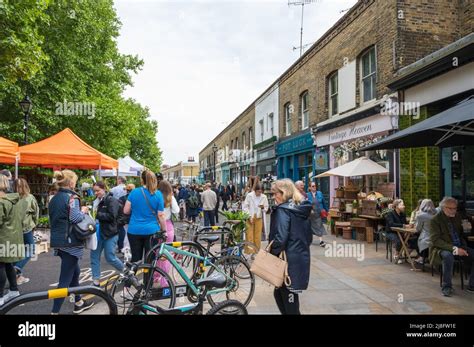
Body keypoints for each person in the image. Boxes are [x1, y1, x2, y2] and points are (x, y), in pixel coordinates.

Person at [49, 170, 94, 314]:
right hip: (70, 242)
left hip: (58, 241)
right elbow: (75, 218)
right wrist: (84, 211)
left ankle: (79, 302)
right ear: (71, 182)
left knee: (75, 272)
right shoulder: (72, 198)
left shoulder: (54, 198)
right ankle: (54, 312)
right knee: (64, 281)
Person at [269, 179, 312, 315]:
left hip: (287, 261)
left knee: (289, 298)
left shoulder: (283, 210)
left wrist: (271, 252)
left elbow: (280, 238)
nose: (273, 196)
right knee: (281, 294)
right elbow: (309, 237)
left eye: (275, 193)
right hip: (299, 258)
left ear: (284, 193)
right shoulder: (300, 208)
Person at [429, 197, 474, 296]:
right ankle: (447, 287)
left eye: (455, 208)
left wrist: (468, 228)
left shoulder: (457, 217)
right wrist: (455, 249)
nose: (454, 210)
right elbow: (435, 241)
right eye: (451, 208)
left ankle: (472, 285)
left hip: (459, 245)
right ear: (444, 207)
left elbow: (464, 234)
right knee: (448, 256)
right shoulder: (435, 220)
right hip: (442, 248)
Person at [123, 170, 167, 263]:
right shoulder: (158, 194)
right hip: (152, 231)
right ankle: (148, 278)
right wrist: (164, 231)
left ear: (142, 180)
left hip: (134, 230)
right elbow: (161, 216)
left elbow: (126, 211)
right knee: (150, 260)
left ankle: (133, 277)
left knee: (135, 260)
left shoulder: (134, 192)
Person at [90, 181, 124, 287]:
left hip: (110, 233)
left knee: (110, 257)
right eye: (94, 191)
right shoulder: (96, 201)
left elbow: (112, 216)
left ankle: (127, 272)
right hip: (97, 232)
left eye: (97, 190)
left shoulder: (111, 200)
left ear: (104, 189)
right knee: (94, 257)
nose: (96, 193)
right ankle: (96, 280)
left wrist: (96, 214)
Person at [0, 175, 24, 306]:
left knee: (1, 266)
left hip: (3, 238)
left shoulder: (1, 201)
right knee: (8, 264)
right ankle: (14, 290)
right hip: (12, 238)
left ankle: (0, 296)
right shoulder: (12, 199)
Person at [13, 178, 39, 285]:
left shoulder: (10, 198)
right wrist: (34, 225)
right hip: (26, 229)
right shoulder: (30, 198)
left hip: (13, 230)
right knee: (31, 250)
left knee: (17, 252)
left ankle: (18, 277)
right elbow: (35, 213)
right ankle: (17, 268)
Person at [156, 180, 179, 285]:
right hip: (168, 226)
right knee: (167, 253)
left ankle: (156, 276)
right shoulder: (170, 198)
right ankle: (164, 280)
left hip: (156, 226)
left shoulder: (155, 196)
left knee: (157, 252)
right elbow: (176, 210)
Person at [385, 199, 418, 264]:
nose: (404, 206)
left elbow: (405, 223)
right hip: (391, 232)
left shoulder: (403, 214)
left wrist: (409, 226)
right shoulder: (390, 214)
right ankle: (397, 255)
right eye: (402, 205)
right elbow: (391, 224)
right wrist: (404, 226)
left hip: (401, 232)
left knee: (414, 238)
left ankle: (406, 253)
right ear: (397, 206)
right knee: (398, 240)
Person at [242, 184, 269, 255]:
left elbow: (266, 208)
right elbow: (245, 207)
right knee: (249, 235)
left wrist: (263, 207)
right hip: (250, 217)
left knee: (258, 235)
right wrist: (249, 216)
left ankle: (257, 251)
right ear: (255, 191)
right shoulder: (249, 195)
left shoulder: (264, 197)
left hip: (258, 217)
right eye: (258, 192)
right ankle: (250, 251)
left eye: (260, 192)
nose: (259, 193)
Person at [414, 199, 436, 264]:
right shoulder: (436, 214)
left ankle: (422, 257)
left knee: (414, 240)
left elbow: (418, 229)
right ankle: (425, 257)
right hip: (436, 238)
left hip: (426, 239)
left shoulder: (421, 215)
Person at [307, 181, 327, 248]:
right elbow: (306, 204)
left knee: (319, 226)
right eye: (313, 186)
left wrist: (327, 210)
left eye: (315, 186)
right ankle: (309, 240)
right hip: (311, 214)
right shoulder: (308, 195)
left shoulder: (319, 193)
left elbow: (323, 202)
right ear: (309, 187)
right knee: (310, 227)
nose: (314, 187)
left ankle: (321, 241)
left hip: (318, 213)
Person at [117, 183, 135, 255]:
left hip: (124, 219)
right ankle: (128, 249)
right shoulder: (135, 198)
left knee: (125, 234)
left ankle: (125, 249)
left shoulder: (121, 198)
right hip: (133, 219)